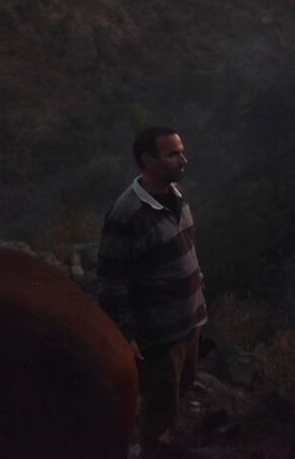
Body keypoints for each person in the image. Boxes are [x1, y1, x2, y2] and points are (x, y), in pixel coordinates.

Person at [98, 126, 208, 458]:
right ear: (147, 160)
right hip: (159, 335)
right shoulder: (126, 215)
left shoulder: (176, 194)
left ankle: (165, 442)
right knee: (158, 407)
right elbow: (111, 280)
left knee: (178, 391)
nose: (182, 159)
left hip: (190, 324)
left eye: (181, 151)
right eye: (172, 154)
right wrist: (126, 333)